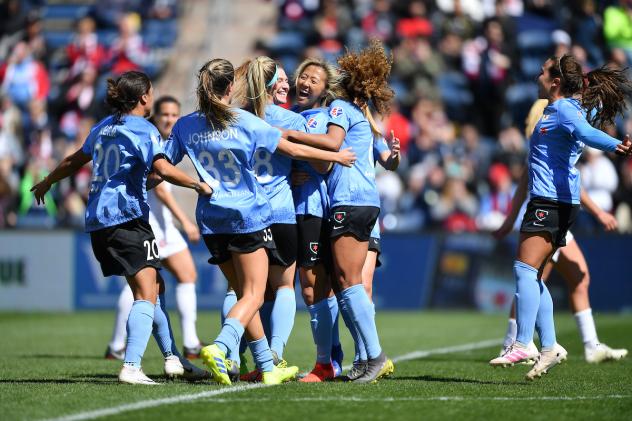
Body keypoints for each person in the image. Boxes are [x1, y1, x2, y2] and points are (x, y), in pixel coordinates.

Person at [163, 58, 356, 386]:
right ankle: (229, 347)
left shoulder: (186, 124)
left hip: (211, 218)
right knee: (268, 290)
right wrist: (334, 156)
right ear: (231, 87)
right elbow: (293, 150)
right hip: (261, 212)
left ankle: (261, 364)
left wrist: (190, 184)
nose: (288, 85)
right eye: (282, 80)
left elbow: (161, 165)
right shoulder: (250, 120)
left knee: (238, 290)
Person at [31, 71, 213, 385]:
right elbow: (161, 168)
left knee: (154, 288)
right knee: (146, 293)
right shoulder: (145, 129)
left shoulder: (103, 127)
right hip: (126, 218)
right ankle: (131, 365)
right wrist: (197, 184)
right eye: (152, 92)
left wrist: (48, 181)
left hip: (99, 220)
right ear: (144, 97)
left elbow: (75, 160)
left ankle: (172, 359)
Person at [488, 54, 632, 380]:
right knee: (534, 275)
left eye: (543, 72)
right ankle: (550, 345)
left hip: (550, 202)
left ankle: (523, 342)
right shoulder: (555, 110)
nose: (537, 75)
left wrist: (615, 145)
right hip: (554, 202)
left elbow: (585, 132)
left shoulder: (565, 109)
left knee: (524, 270)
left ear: (554, 82)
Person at [282, 40, 395, 383]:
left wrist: (286, 135)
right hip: (360, 201)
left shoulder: (340, 110)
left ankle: (372, 355)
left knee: (348, 284)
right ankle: (363, 359)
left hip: (348, 201)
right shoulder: (359, 114)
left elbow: (331, 146)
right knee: (349, 283)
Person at [105, 95, 206, 361]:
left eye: (175, 115)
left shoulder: (164, 142)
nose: (170, 119)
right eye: (165, 115)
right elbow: (160, 187)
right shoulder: (149, 138)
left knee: (181, 277)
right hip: (148, 225)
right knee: (143, 287)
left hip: (160, 225)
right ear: (155, 116)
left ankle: (188, 342)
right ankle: (119, 345)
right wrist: (185, 221)